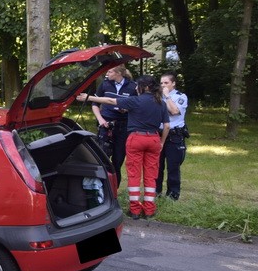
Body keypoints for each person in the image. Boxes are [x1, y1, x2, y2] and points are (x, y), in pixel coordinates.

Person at [79, 74, 169, 220]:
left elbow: (110, 100)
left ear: (145, 87)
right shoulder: (161, 103)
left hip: (136, 138)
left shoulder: (135, 100)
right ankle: (149, 210)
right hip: (153, 139)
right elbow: (166, 126)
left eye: (138, 86)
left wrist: (89, 98)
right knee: (151, 175)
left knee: (134, 174)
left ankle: (134, 210)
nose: (136, 88)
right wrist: (162, 142)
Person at [91, 64, 137, 185]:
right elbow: (94, 103)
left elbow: (138, 105)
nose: (107, 74)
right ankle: (101, 185)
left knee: (118, 158)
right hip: (105, 124)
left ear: (119, 73)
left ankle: (114, 187)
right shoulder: (105, 84)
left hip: (123, 126)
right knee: (102, 155)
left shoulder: (133, 87)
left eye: (110, 72)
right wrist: (100, 119)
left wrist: (127, 110)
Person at [157, 72, 188, 200]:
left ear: (173, 83)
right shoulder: (157, 96)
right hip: (158, 133)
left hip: (174, 135)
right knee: (157, 166)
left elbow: (175, 111)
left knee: (173, 167)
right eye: (161, 83)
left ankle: (172, 196)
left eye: (166, 83)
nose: (163, 85)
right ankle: (155, 193)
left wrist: (167, 96)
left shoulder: (180, 96)